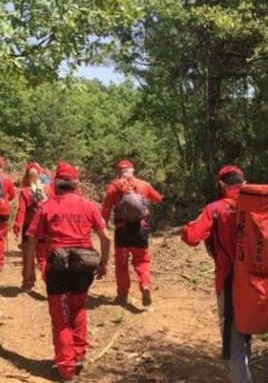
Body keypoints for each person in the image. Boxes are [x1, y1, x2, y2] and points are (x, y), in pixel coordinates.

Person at [180, 166, 268, 383]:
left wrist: (188, 227)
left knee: (234, 341)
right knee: (244, 332)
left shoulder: (215, 208)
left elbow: (191, 237)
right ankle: (240, 375)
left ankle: (240, 379)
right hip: (256, 280)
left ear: (221, 185)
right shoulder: (260, 209)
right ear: (245, 182)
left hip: (229, 281)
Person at [24, 162, 111, 382]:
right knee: (78, 308)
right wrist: (103, 265)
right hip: (84, 266)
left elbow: (32, 240)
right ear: (75, 184)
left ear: (56, 183)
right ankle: (78, 356)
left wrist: (29, 271)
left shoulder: (47, 206)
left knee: (61, 318)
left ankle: (66, 367)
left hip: (58, 266)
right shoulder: (89, 205)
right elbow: (106, 238)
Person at [101, 159, 163, 306]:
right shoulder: (143, 184)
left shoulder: (113, 187)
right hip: (140, 229)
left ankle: (122, 295)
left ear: (118, 173)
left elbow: (105, 210)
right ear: (132, 171)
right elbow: (157, 199)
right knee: (142, 260)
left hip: (122, 230)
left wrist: (102, 228)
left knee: (121, 264)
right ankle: (145, 285)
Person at [14, 162, 54, 287]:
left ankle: (28, 281)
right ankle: (47, 278)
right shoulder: (47, 189)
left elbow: (21, 211)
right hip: (44, 227)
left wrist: (17, 226)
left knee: (28, 256)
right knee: (42, 257)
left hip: (29, 227)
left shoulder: (25, 191)